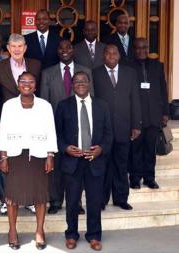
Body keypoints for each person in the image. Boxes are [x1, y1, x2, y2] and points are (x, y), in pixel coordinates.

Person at [0, 71, 57, 250]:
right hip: (15, 155)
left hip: (38, 155)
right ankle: (12, 231)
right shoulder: (8, 106)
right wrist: (3, 157)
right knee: (12, 196)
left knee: (40, 195)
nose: (27, 84)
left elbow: (50, 131)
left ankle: (39, 231)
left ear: (36, 86)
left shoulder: (45, 106)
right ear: (18, 85)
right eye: (23, 81)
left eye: (31, 81)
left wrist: (50, 155)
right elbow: (3, 131)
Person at [55, 71, 113, 251]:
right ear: (72, 85)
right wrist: (65, 148)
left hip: (94, 160)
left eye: (83, 81)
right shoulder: (63, 106)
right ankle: (71, 234)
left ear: (89, 84)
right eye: (76, 81)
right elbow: (57, 134)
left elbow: (109, 133)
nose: (80, 83)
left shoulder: (102, 105)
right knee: (72, 201)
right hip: (72, 161)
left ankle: (94, 235)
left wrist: (101, 149)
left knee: (95, 200)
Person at [40, 39, 93, 215]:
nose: (65, 50)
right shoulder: (48, 73)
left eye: (69, 47)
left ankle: (75, 201)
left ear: (74, 50)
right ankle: (55, 200)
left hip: (79, 127)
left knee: (76, 166)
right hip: (54, 127)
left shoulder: (85, 72)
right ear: (57, 51)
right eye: (61, 47)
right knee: (56, 167)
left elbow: (91, 100)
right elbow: (44, 103)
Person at [0, 33, 41, 215]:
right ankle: (6, 199)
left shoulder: (35, 65)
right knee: (6, 159)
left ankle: (28, 198)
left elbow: (40, 91)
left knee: (28, 159)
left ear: (25, 48)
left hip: (31, 117)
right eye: (13, 46)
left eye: (20, 46)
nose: (17, 50)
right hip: (7, 119)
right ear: (8, 48)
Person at [93, 44, 142, 210]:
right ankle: (101, 200)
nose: (111, 56)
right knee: (103, 166)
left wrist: (136, 125)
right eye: (108, 53)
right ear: (103, 56)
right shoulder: (95, 73)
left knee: (121, 165)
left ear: (119, 55)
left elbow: (135, 100)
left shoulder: (130, 73)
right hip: (102, 130)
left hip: (124, 127)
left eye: (115, 53)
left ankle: (121, 199)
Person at [129, 38, 169, 189]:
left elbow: (163, 91)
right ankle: (135, 178)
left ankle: (149, 178)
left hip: (154, 116)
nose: (141, 50)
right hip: (136, 117)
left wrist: (165, 112)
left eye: (144, 47)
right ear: (134, 49)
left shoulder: (157, 66)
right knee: (136, 150)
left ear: (148, 48)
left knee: (150, 150)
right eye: (138, 48)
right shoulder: (128, 66)